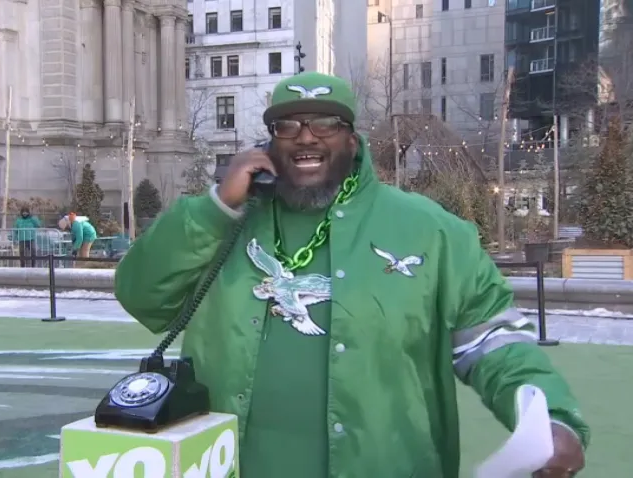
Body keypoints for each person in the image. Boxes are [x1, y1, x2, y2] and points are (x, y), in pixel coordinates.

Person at [114, 72, 588, 478]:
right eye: (288, 126)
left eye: (326, 123)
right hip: (231, 463)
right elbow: (142, 295)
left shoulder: (431, 231)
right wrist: (218, 206)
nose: (306, 137)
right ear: (267, 143)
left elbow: (492, 341)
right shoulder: (221, 220)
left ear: (352, 139)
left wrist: (549, 415)